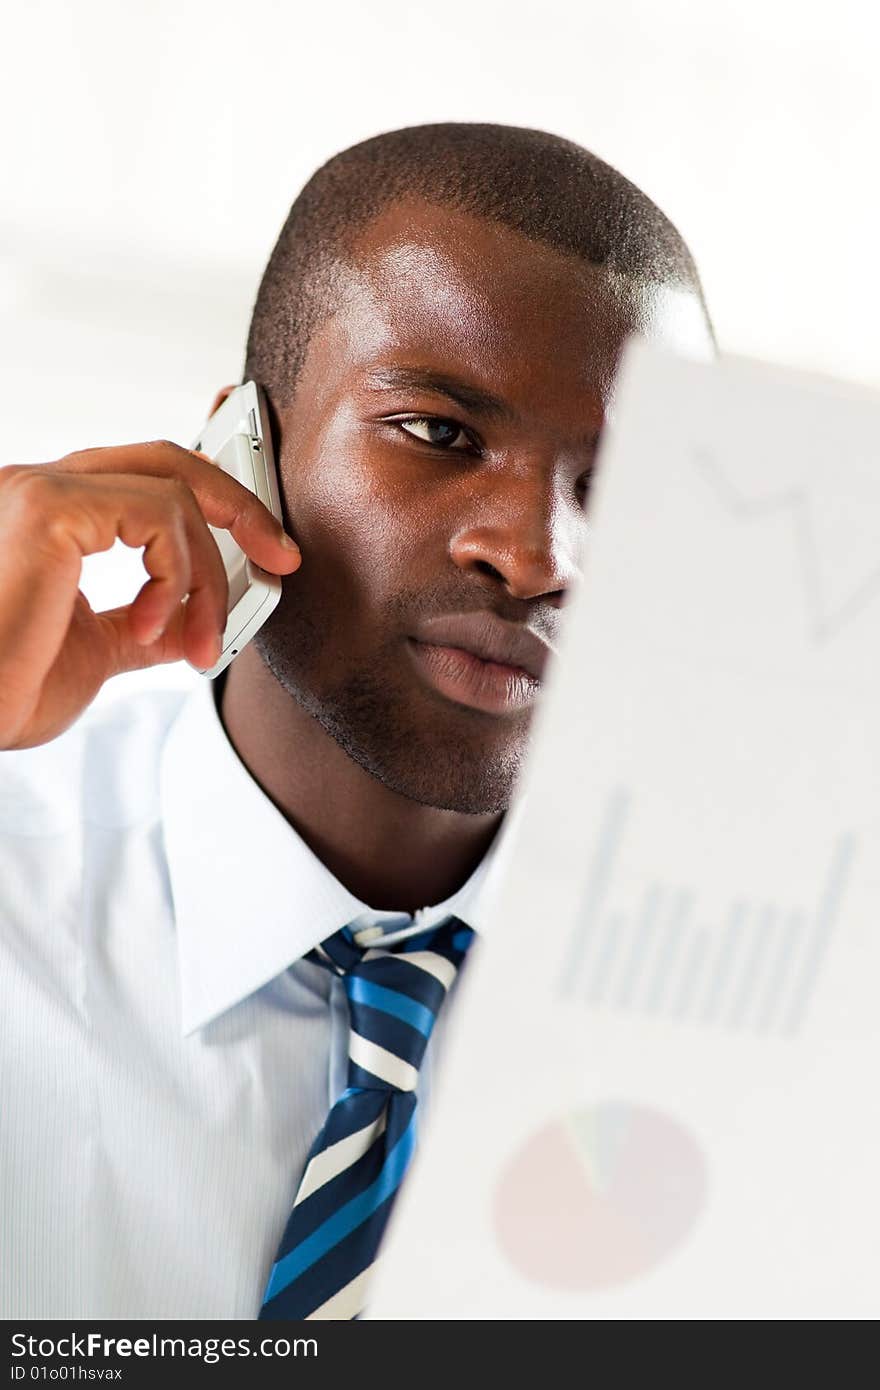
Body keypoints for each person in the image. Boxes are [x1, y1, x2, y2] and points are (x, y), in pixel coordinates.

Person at [0, 123, 716, 1319]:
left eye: (619, 487)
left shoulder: (758, 1021)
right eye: (440, 433)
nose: (539, 556)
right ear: (243, 453)